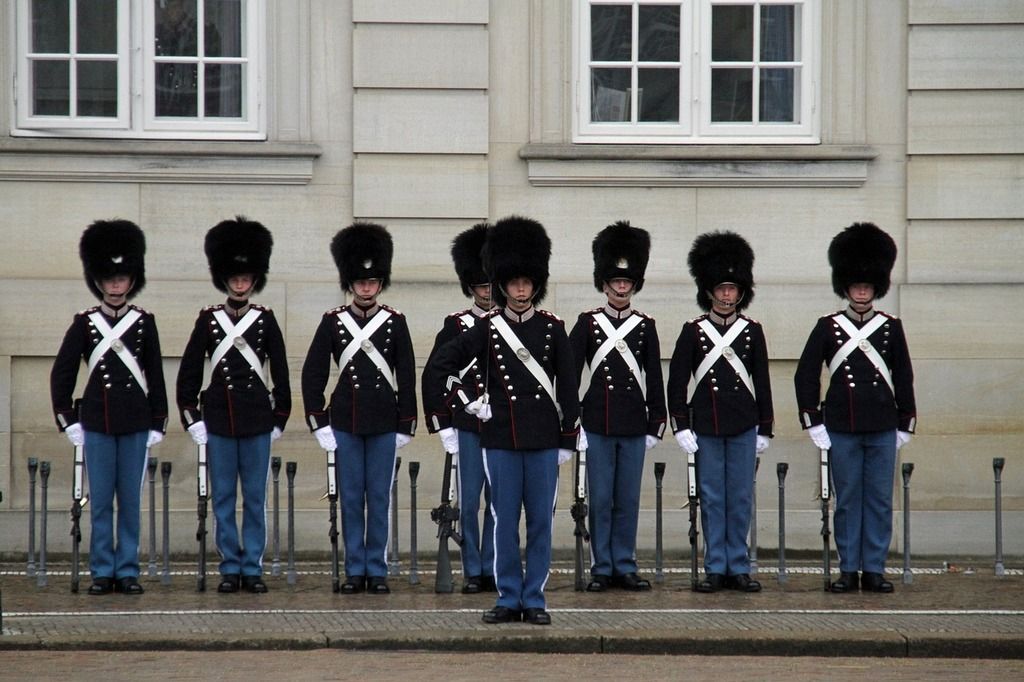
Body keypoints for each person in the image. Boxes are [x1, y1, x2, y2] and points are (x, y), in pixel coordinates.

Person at [425, 215, 580, 626]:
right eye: (514, 282)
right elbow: (440, 366)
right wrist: (465, 400)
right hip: (500, 439)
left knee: (541, 526)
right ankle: (509, 596)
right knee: (503, 521)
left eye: (527, 282)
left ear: (536, 284)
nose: (521, 288)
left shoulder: (552, 328)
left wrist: (568, 437)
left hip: (544, 439)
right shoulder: (487, 329)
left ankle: (536, 598)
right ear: (503, 285)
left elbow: (568, 385)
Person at [794, 222, 916, 594]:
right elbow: (805, 375)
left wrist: (905, 422)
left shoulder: (890, 327)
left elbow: (904, 376)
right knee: (847, 501)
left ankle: (874, 568)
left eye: (867, 285)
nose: (861, 290)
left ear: (875, 287)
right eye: (856, 285)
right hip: (842, 426)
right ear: (845, 287)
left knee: (879, 500)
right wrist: (813, 421)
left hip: (881, 425)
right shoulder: (828, 327)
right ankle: (849, 568)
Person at [50, 219, 168, 596]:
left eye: (122, 278)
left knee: (130, 502)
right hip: (97, 422)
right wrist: (67, 418)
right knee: (101, 501)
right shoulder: (84, 324)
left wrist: (158, 420)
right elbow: (62, 373)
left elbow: (155, 373)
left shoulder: (144, 323)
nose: (116, 284)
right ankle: (103, 570)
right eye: (110, 278)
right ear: (99, 281)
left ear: (131, 281)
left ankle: (127, 569)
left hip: (134, 421)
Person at [176, 217, 291, 594]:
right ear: (224, 279)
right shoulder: (208, 320)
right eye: (235, 277)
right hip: (220, 420)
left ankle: (251, 566)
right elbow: (191, 370)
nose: (240, 282)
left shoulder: (265, 320)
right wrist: (191, 415)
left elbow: (282, 371)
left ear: (254, 280)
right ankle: (230, 565)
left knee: (254, 499)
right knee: (223, 498)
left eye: (246, 277)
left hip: (257, 419)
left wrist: (280, 415)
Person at [302, 222, 417, 595]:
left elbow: (406, 373)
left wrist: (406, 422)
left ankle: (376, 568)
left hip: (383, 420)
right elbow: (314, 372)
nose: (366, 287)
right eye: (360, 282)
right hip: (347, 421)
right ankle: (355, 568)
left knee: (379, 497)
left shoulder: (395, 322)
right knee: (351, 497)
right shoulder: (333, 322)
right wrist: (319, 420)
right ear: (350, 283)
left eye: (372, 281)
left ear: (380, 283)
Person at [666, 231, 773, 593]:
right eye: (721, 289)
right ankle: (716, 565)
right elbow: (676, 381)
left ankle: (738, 565)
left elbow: (762, 380)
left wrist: (765, 427)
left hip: (743, 423)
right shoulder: (693, 331)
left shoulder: (752, 331)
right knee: (712, 497)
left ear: (741, 292)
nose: (727, 295)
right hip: (707, 425)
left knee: (740, 497)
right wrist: (680, 424)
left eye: (733, 289)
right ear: (710, 291)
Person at [569, 221, 666, 592]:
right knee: (601, 499)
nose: (621, 287)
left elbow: (654, 376)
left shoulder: (645, 326)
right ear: (605, 284)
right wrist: (572, 420)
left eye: (627, 282)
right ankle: (601, 566)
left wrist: (657, 421)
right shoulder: (588, 323)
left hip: (632, 424)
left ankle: (624, 563)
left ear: (634, 284)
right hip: (596, 423)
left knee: (627, 499)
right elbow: (569, 373)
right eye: (615, 282)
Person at [422, 223, 497, 594]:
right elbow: (434, 374)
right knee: (469, 502)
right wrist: (443, 424)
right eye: (481, 287)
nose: (486, 292)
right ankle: (473, 569)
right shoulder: (455, 325)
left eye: (490, 285)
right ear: (471, 288)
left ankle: (495, 565)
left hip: (503, 426)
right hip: (467, 426)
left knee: (499, 503)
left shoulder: (510, 325)